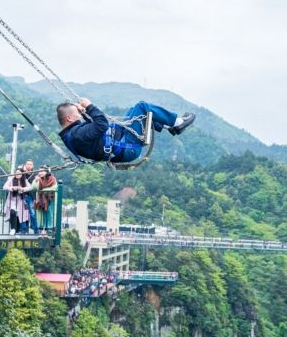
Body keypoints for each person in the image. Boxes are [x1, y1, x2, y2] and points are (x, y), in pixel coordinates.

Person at [56, 98, 195, 164]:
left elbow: (92, 128)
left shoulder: (73, 134)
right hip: (127, 147)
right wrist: (90, 106)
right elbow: (101, 125)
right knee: (142, 107)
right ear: (69, 117)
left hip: (120, 140)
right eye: (77, 114)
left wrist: (84, 112)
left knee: (136, 111)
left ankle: (167, 125)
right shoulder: (76, 135)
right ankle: (178, 123)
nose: (79, 115)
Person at [3, 167, 30, 235]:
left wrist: (22, 189)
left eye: (19, 173)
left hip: (20, 200)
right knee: (12, 213)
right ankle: (13, 229)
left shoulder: (24, 180)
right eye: (16, 173)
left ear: (22, 174)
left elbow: (30, 187)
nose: (17, 175)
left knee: (19, 215)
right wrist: (12, 188)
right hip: (12, 199)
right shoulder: (11, 179)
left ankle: (17, 230)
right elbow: (4, 187)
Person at [32, 165, 57, 235]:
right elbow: (34, 187)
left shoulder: (52, 178)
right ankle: (42, 228)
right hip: (41, 199)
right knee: (41, 214)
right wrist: (35, 180)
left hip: (50, 199)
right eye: (39, 171)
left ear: (47, 171)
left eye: (42, 171)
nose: (40, 173)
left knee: (49, 213)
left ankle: (49, 228)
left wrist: (45, 190)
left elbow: (55, 187)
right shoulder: (39, 179)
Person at [21, 160, 37, 233]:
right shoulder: (22, 173)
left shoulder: (35, 174)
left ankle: (35, 229)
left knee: (32, 213)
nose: (29, 166)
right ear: (25, 165)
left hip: (31, 196)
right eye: (28, 164)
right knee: (23, 213)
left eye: (31, 164)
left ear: (33, 166)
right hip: (23, 195)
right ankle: (24, 229)